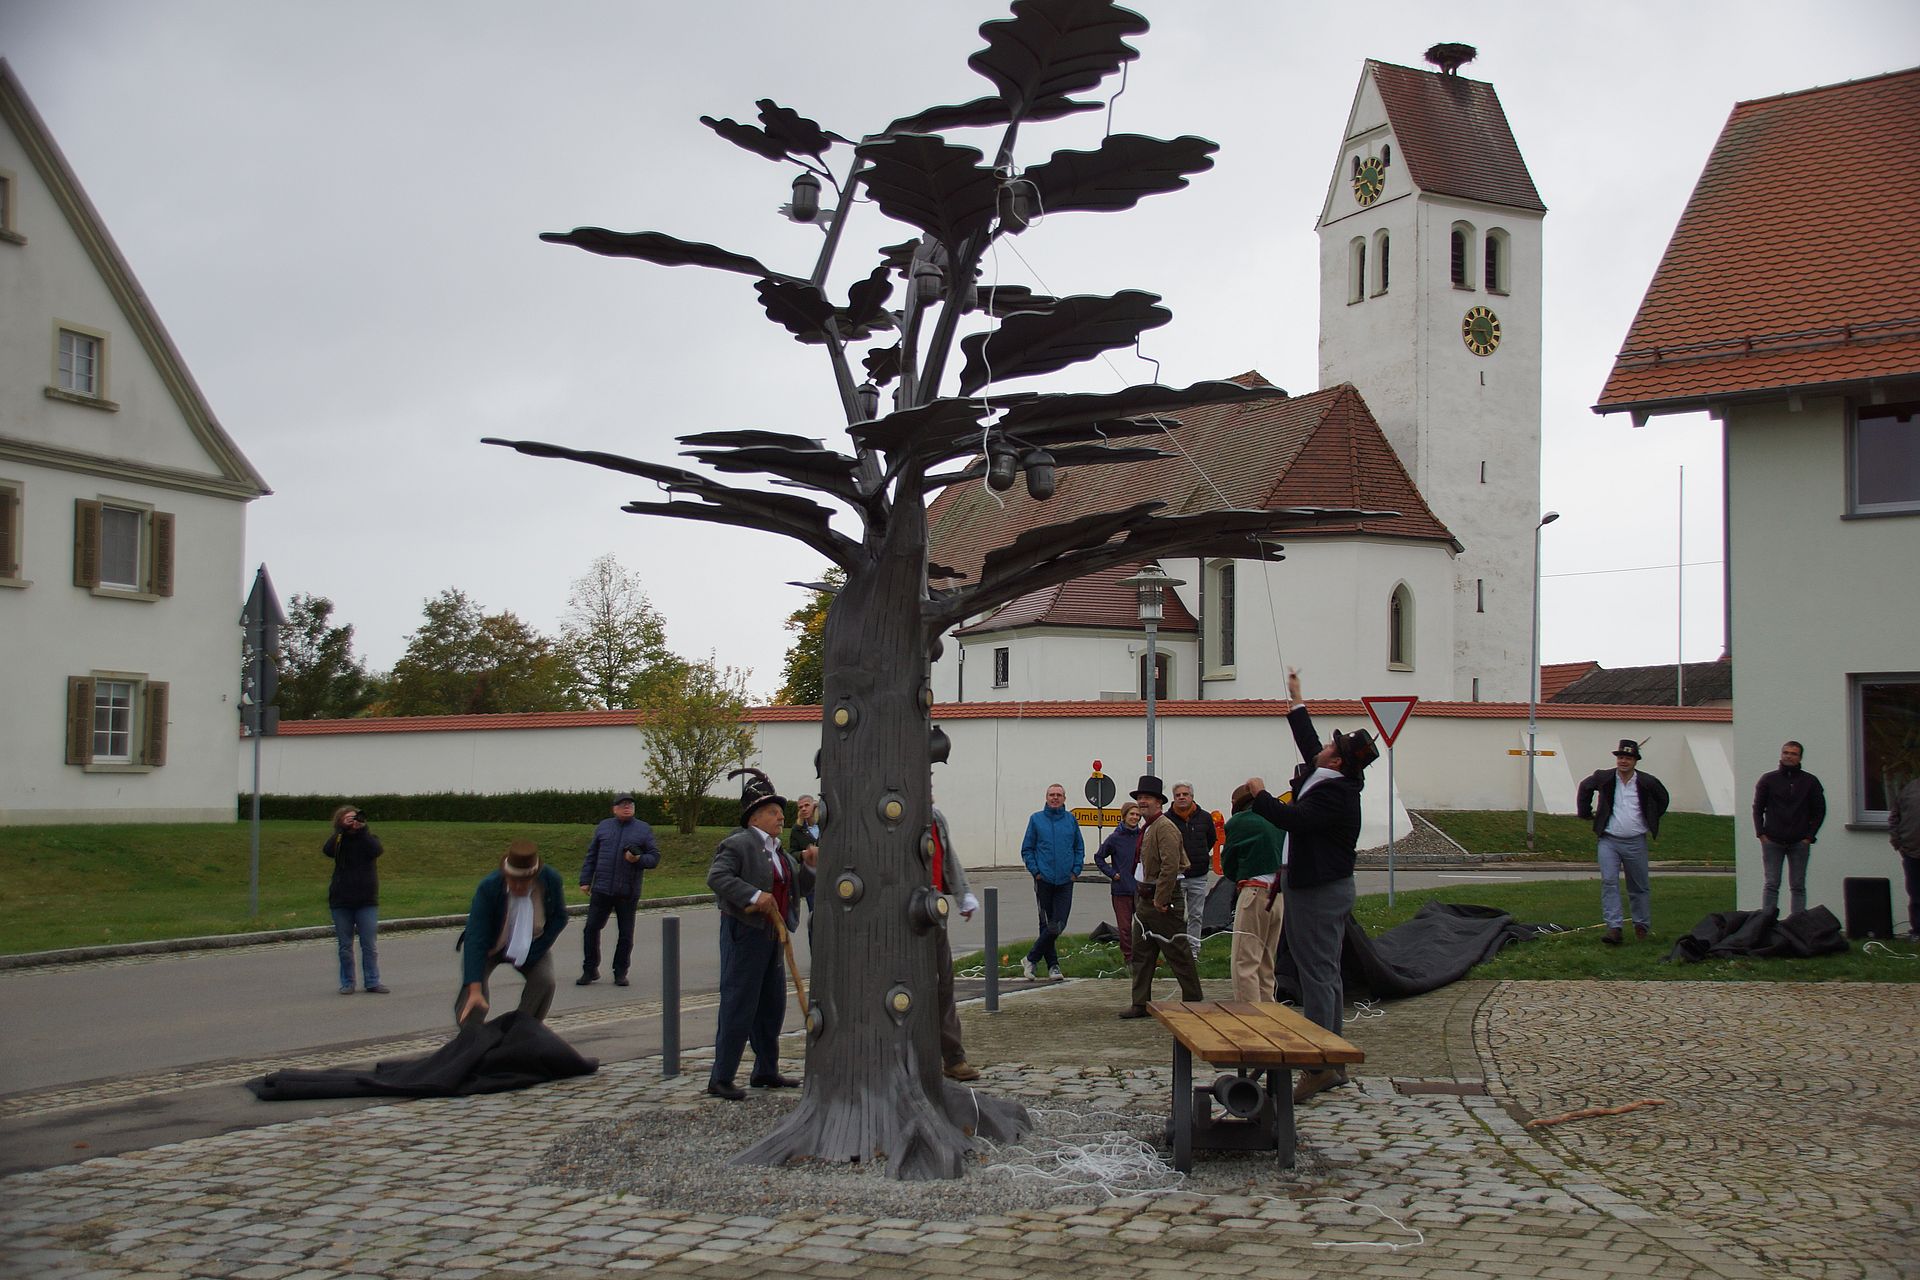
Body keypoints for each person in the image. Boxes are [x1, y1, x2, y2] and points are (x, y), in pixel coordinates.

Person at [1244, 668, 1379, 1103]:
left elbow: (1294, 820)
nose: (1322, 747)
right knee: (1325, 973)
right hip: (1314, 885)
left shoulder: (1335, 793)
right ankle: (1329, 1057)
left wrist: (1260, 796)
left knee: (1318, 974)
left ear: (1337, 761)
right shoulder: (1332, 777)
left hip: (1320, 892)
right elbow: (1309, 744)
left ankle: (1321, 1063)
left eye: (1331, 747)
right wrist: (1297, 698)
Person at [706, 767, 817, 1101]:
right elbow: (718, 877)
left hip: (773, 936)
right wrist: (754, 896)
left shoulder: (780, 852)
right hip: (745, 932)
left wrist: (810, 865)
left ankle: (765, 1070)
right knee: (739, 1003)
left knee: (771, 1005)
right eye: (773, 812)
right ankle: (721, 1076)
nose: (780, 818)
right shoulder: (738, 843)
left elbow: (798, 889)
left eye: (781, 813)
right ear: (754, 817)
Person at [455, 840, 568, 1028]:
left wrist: (536, 951)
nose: (517, 886)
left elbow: (560, 918)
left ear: (534, 876)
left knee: (544, 982)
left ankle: (522, 1030)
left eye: (523, 882)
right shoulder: (488, 888)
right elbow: (476, 937)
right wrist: (475, 990)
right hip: (491, 945)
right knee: (474, 996)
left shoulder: (551, 880)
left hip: (531, 942)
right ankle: (471, 1039)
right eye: (512, 880)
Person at [1117, 775, 1204, 1018]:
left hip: (1162, 900)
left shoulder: (1164, 827)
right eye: (1140, 798)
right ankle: (1140, 1003)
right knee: (1141, 954)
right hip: (1145, 899)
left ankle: (1194, 1001)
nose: (1142, 802)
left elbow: (1171, 865)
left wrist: (1161, 899)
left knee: (1178, 952)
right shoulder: (1148, 827)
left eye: (1147, 798)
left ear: (1158, 802)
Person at [1576, 738, 1671, 945]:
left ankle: (1641, 925)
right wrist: (1585, 812)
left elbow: (1663, 799)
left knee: (1638, 885)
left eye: (1628, 758)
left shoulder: (1647, 782)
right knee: (1609, 881)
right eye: (1620, 757)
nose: (1623, 761)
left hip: (1635, 841)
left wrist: (1651, 816)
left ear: (1635, 761)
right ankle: (1614, 927)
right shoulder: (1605, 777)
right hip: (1609, 840)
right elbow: (1585, 787)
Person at [576, 792, 661, 988]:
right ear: (614, 809)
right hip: (602, 888)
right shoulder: (604, 827)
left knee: (625, 934)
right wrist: (585, 880)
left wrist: (638, 859)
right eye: (622, 804)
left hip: (627, 891)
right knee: (590, 929)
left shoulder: (643, 829)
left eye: (630, 804)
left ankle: (620, 971)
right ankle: (590, 969)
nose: (627, 807)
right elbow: (592, 855)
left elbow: (654, 858)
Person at [930, 803, 983, 1082]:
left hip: (931, 908)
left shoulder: (935, 816)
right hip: (895, 913)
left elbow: (948, 858)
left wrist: (963, 896)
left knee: (943, 983)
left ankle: (953, 1057)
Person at [1221, 784, 1285, 1003]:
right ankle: (1269, 1014)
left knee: (1245, 961)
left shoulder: (1239, 822)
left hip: (1254, 892)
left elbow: (1228, 864)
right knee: (1267, 962)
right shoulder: (1278, 820)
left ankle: (1250, 1020)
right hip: (1278, 896)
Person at [1752, 741, 1826, 918]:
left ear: (1800, 757)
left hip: (1799, 842)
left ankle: (1798, 924)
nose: (1788, 756)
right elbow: (1758, 807)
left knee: (1798, 885)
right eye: (1785, 752)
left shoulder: (1810, 782)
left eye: (1793, 753)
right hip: (1772, 840)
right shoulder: (1768, 780)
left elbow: (1819, 810)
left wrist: (1809, 836)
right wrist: (1760, 833)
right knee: (1771, 884)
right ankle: (1766, 922)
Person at [1019, 782, 1084, 981]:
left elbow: (1078, 848)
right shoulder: (1036, 820)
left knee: (1059, 924)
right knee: (1046, 924)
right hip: (1044, 880)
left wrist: (1075, 871)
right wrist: (1036, 871)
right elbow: (1027, 849)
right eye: (1051, 794)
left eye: (1059, 795)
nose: (1055, 798)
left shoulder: (1071, 820)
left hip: (1065, 880)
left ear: (1065, 798)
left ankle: (1031, 958)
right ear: (1046, 798)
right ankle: (1053, 966)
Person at [323, 804, 386, 995]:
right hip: (341, 900)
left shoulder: (368, 839)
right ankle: (348, 982)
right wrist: (342, 830)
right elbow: (328, 850)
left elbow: (376, 850)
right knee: (345, 946)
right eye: (348, 818)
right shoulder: (340, 840)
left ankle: (372, 981)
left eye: (355, 818)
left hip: (366, 900)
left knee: (369, 945)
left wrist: (362, 830)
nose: (353, 821)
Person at [1166, 781, 1219, 958]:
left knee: (1196, 914)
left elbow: (1211, 839)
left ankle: (1193, 950)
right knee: (1175, 916)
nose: (1181, 797)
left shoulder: (1204, 817)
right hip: (1177, 876)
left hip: (1198, 874)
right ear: (1173, 798)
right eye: (1178, 795)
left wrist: (1201, 855)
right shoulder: (1167, 819)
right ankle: (1177, 950)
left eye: (1185, 794)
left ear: (1192, 796)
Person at [1094, 801, 1143, 964]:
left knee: (1144, 925)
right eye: (1131, 814)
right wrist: (1112, 873)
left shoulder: (1143, 836)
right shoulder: (1115, 838)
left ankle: (1144, 957)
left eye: (1137, 814)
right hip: (1121, 889)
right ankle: (1129, 958)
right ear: (1124, 816)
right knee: (1125, 927)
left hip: (1140, 889)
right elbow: (1099, 857)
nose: (1135, 817)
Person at [1890, 776, 1920, 941]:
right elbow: (1895, 815)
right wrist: (1897, 842)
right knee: (1916, 895)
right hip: (1912, 852)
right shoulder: (1909, 789)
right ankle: (1917, 931)